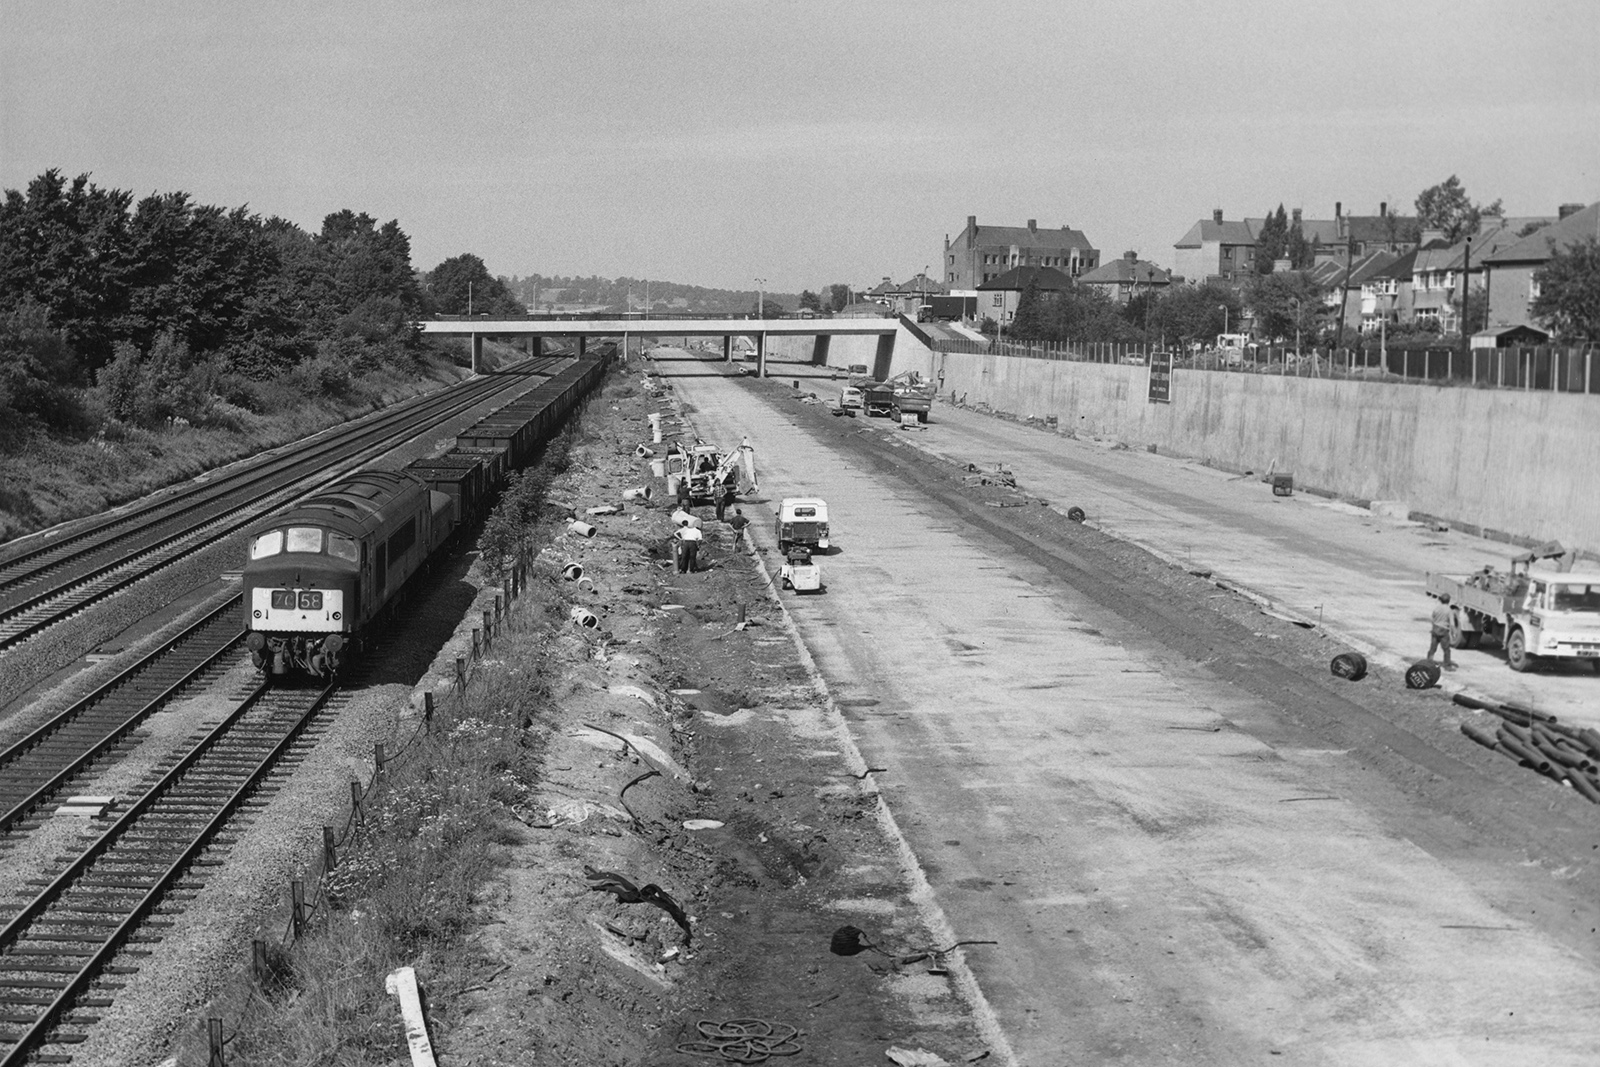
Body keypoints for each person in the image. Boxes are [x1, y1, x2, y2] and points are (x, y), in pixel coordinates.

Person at [1427, 594, 1457, 670]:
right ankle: (1447, 666)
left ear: (1440, 600)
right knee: (1446, 649)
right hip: (1443, 631)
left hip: (1435, 629)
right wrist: (1453, 633)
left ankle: (1428, 663)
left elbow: (1433, 618)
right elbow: (1452, 624)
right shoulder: (1449, 610)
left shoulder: (1437, 608)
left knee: (1432, 648)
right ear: (1449, 601)